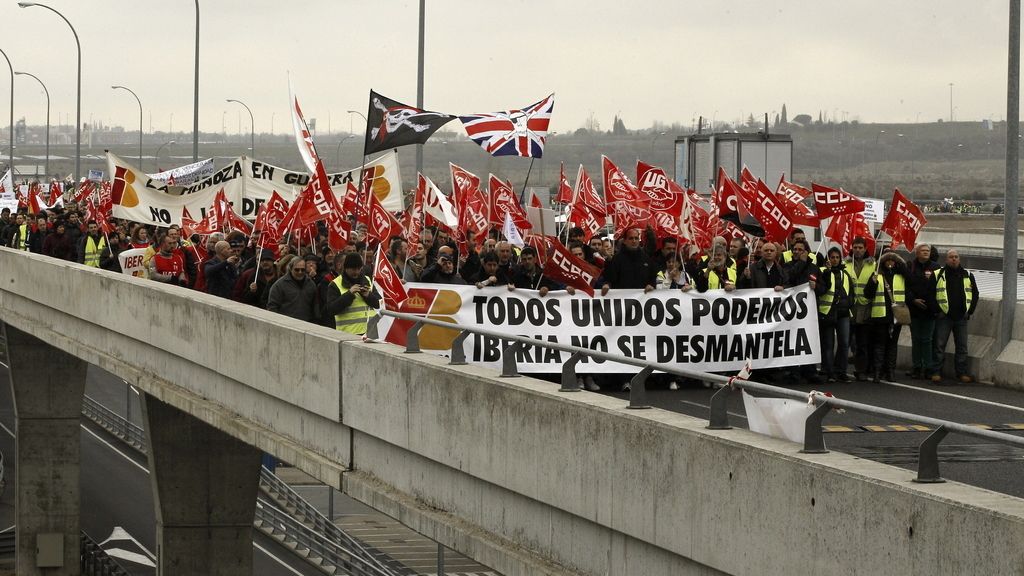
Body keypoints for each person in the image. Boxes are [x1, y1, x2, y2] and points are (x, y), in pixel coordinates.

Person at [931, 249, 979, 384]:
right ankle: (936, 372)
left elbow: (975, 294)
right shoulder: (938, 274)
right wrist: (937, 311)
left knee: (962, 347)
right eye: (951, 257)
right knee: (939, 345)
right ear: (946, 260)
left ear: (959, 259)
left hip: (961, 317)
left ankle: (962, 373)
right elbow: (930, 294)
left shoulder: (968, 275)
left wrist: (969, 312)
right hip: (944, 316)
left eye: (956, 257)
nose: (954, 259)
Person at [863, 251, 909, 382]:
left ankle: (890, 371)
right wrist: (872, 283)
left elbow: (911, 283)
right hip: (880, 315)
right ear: (883, 262)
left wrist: (903, 266)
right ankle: (877, 372)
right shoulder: (877, 275)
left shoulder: (901, 276)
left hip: (896, 316)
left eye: (892, 260)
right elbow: (868, 294)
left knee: (892, 344)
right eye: (887, 260)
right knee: (879, 345)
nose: (890, 263)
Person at [322, 253, 381, 335]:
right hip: (348, 334)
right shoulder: (335, 284)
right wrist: (349, 294)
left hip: (371, 332)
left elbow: (379, 304)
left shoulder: (367, 280)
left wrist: (368, 295)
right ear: (346, 268)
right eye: (353, 269)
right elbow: (331, 310)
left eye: (359, 269)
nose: (356, 272)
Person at [818, 247, 853, 382]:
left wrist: (849, 303)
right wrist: (827, 272)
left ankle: (841, 371)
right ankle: (829, 371)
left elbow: (850, 292)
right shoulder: (822, 271)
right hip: (827, 312)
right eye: (832, 257)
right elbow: (821, 290)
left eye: (837, 257)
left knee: (844, 343)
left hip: (843, 313)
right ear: (828, 258)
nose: (835, 260)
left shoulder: (845, 274)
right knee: (828, 344)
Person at [845, 237, 876, 381]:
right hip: (849, 307)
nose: (857, 250)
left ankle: (861, 370)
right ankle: (841, 370)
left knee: (862, 343)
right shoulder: (845, 263)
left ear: (865, 248)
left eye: (860, 248)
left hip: (865, 307)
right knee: (845, 341)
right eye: (855, 247)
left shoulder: (873, 264)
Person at [905, 244, 938, 379]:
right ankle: (917, 366)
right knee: (916, 339)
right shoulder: (911, 267)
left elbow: (939, 288)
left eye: (928, 251)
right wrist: (913, 300)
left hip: (929, 310)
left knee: (927, 339)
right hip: (914, 309)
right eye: (923, 251)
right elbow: (905, 287)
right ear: (917, 253)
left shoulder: (936, 268)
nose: (926, 252)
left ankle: (928, 367)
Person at [268, 254, 320, 322]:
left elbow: (315, 307)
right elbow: (272, 308)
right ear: (290, 269)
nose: (300, 272)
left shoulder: (311, 284)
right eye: (297, 270)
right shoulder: (279, 285)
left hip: (306, 325)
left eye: (302, 270)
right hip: (286, 325)